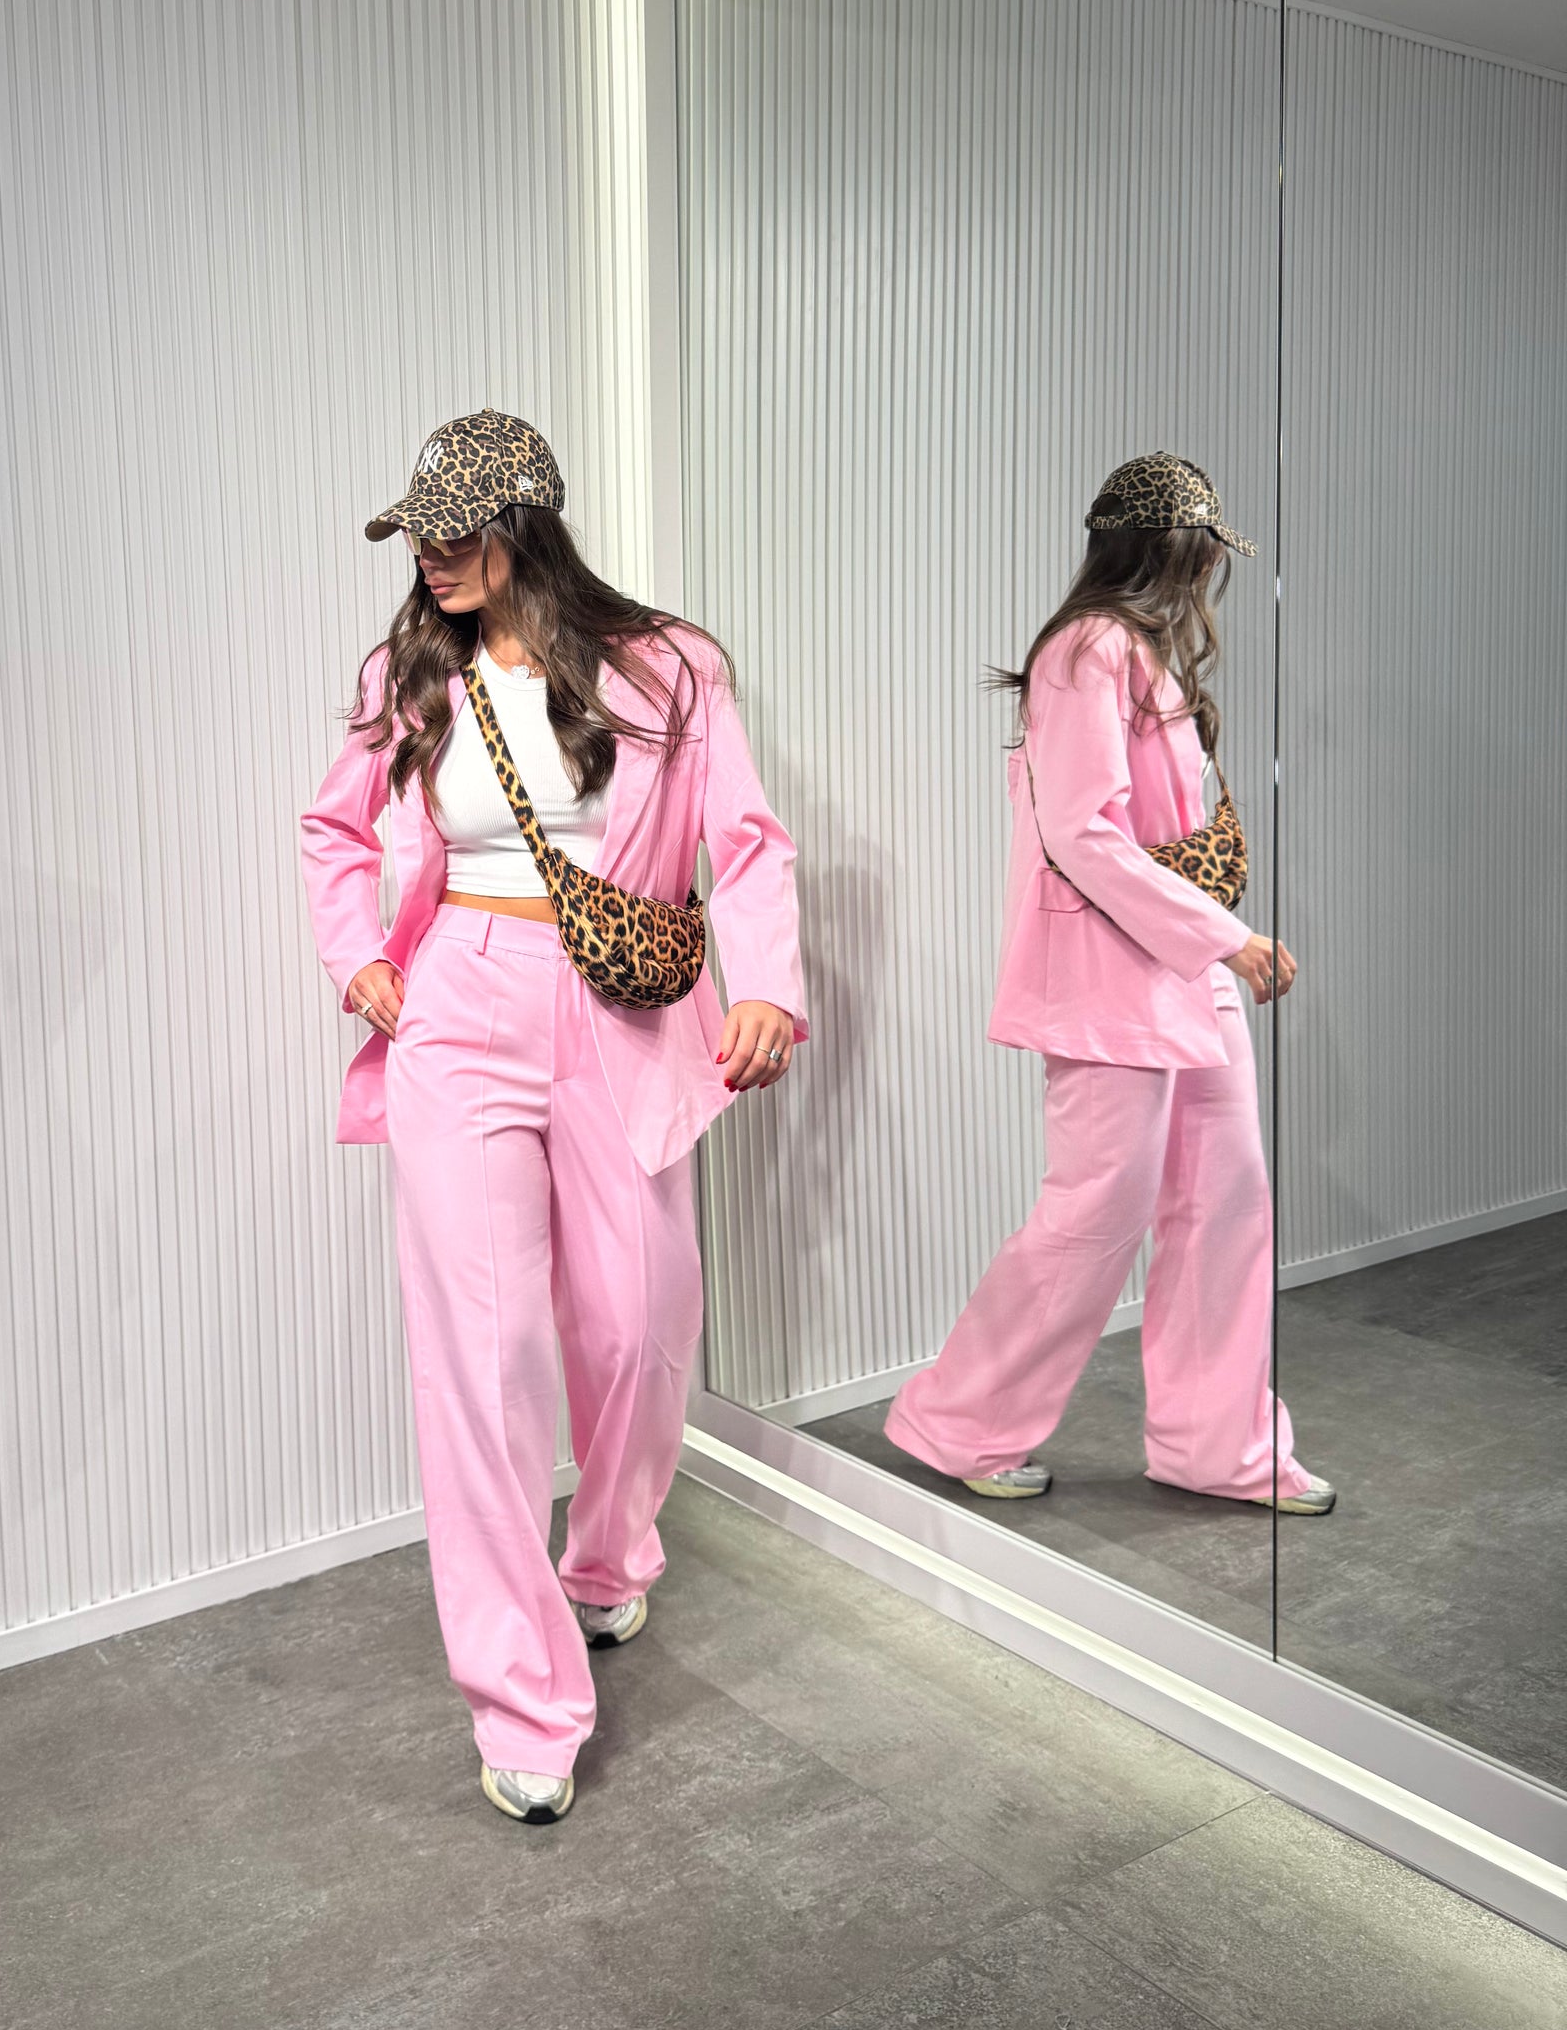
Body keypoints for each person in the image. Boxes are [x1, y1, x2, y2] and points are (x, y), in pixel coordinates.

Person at [300, 411, 807, 1823]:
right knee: (485, 1350)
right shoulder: (409, 669)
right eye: (416, 533)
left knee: (638, 1323)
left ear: (526, 524)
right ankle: (521, 1695)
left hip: (618, 1010)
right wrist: (357, 956)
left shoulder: (666, 665)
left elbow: (746, 840)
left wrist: (767, 983)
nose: (430, 556)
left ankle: (609, 1552)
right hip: (457, 1002)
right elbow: (334, 828)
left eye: (455, 531)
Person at [884, 453, 1334, 1515]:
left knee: (1226, 1203)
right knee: (1096, 1213)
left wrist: (1211, 944)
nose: (1208, 572)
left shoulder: (1138, 653)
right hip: (1111, 980)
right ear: (1169, 551)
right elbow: (1082, 833)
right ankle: (959, 1421)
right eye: (1202, 552)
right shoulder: (1086, 650)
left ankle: (1219, 1446)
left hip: (1181, 968)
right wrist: (1225, 935)